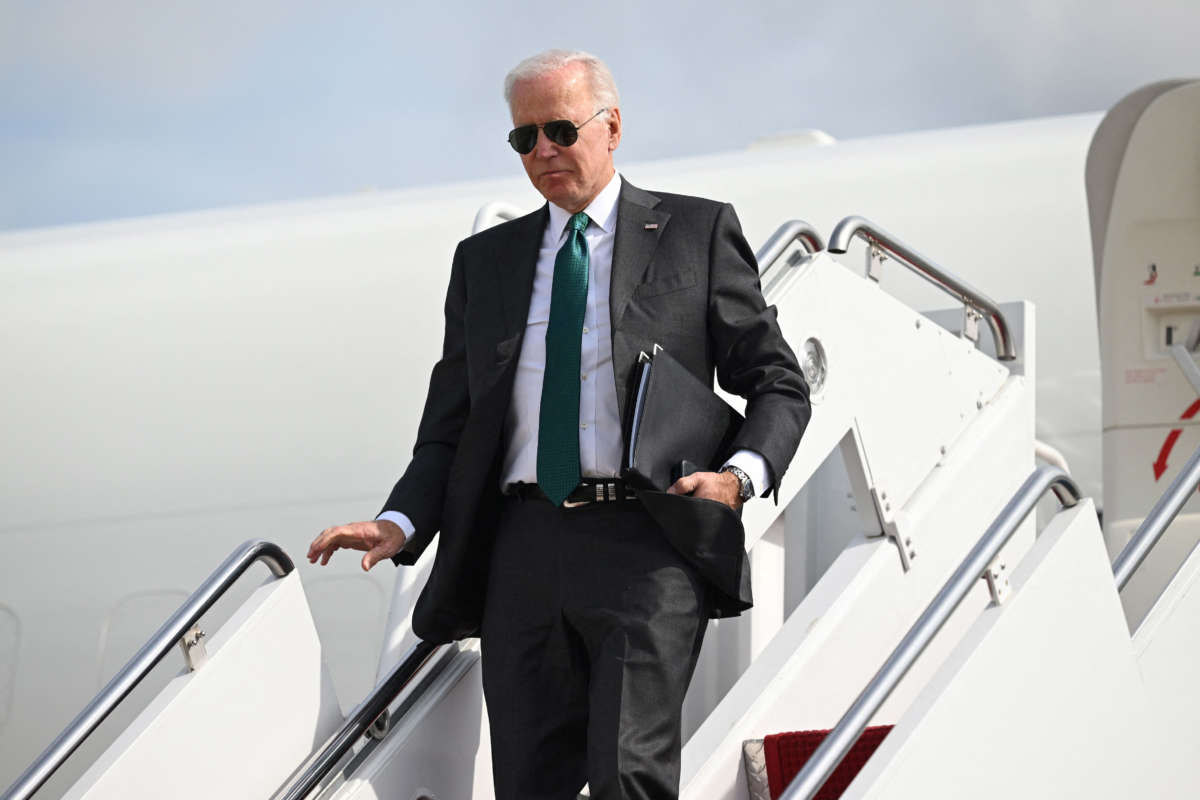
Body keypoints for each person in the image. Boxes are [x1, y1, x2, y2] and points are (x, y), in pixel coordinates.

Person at [307, 49, 810, 800]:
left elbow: (778, 382)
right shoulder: (486, 263)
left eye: (559, 131)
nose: (542, 151)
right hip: (523, 550)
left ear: (611, 128)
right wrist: (400, 521)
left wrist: (739, 477)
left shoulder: (695, 233)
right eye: (523, 138)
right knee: (529, 783)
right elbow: (452, 423)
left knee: (626, 775)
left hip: (648, 541)